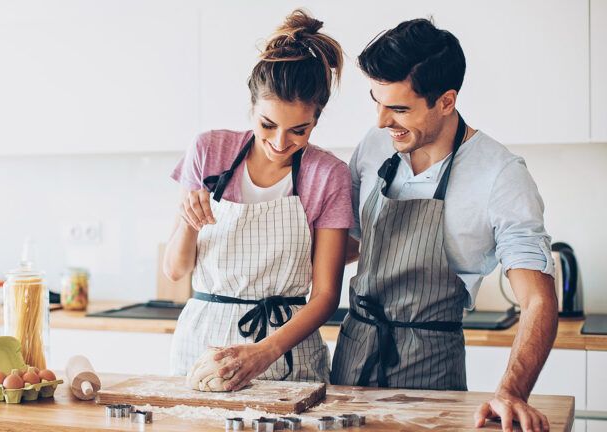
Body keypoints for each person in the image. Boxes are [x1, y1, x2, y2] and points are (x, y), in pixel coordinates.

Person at [330, 18, 559, 432]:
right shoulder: (375, 143)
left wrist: (511, 392)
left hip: (432, 373)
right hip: (352, 362)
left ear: (447, 101)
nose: (383, 121)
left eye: (399, 109)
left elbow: (538, 302)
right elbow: (347, 244)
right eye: (376, 102)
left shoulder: (500, 174)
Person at [164, 9, 351, 390]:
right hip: (204, 345)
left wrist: (265, 352)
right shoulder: (208, 151)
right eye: (268, 125)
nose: (281, 143)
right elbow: (175, 270)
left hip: (286, 349)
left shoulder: (328, 175)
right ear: (251, 107)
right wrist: (187, 219)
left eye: (300, 130)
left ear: (317, 119)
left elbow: (327, 294)